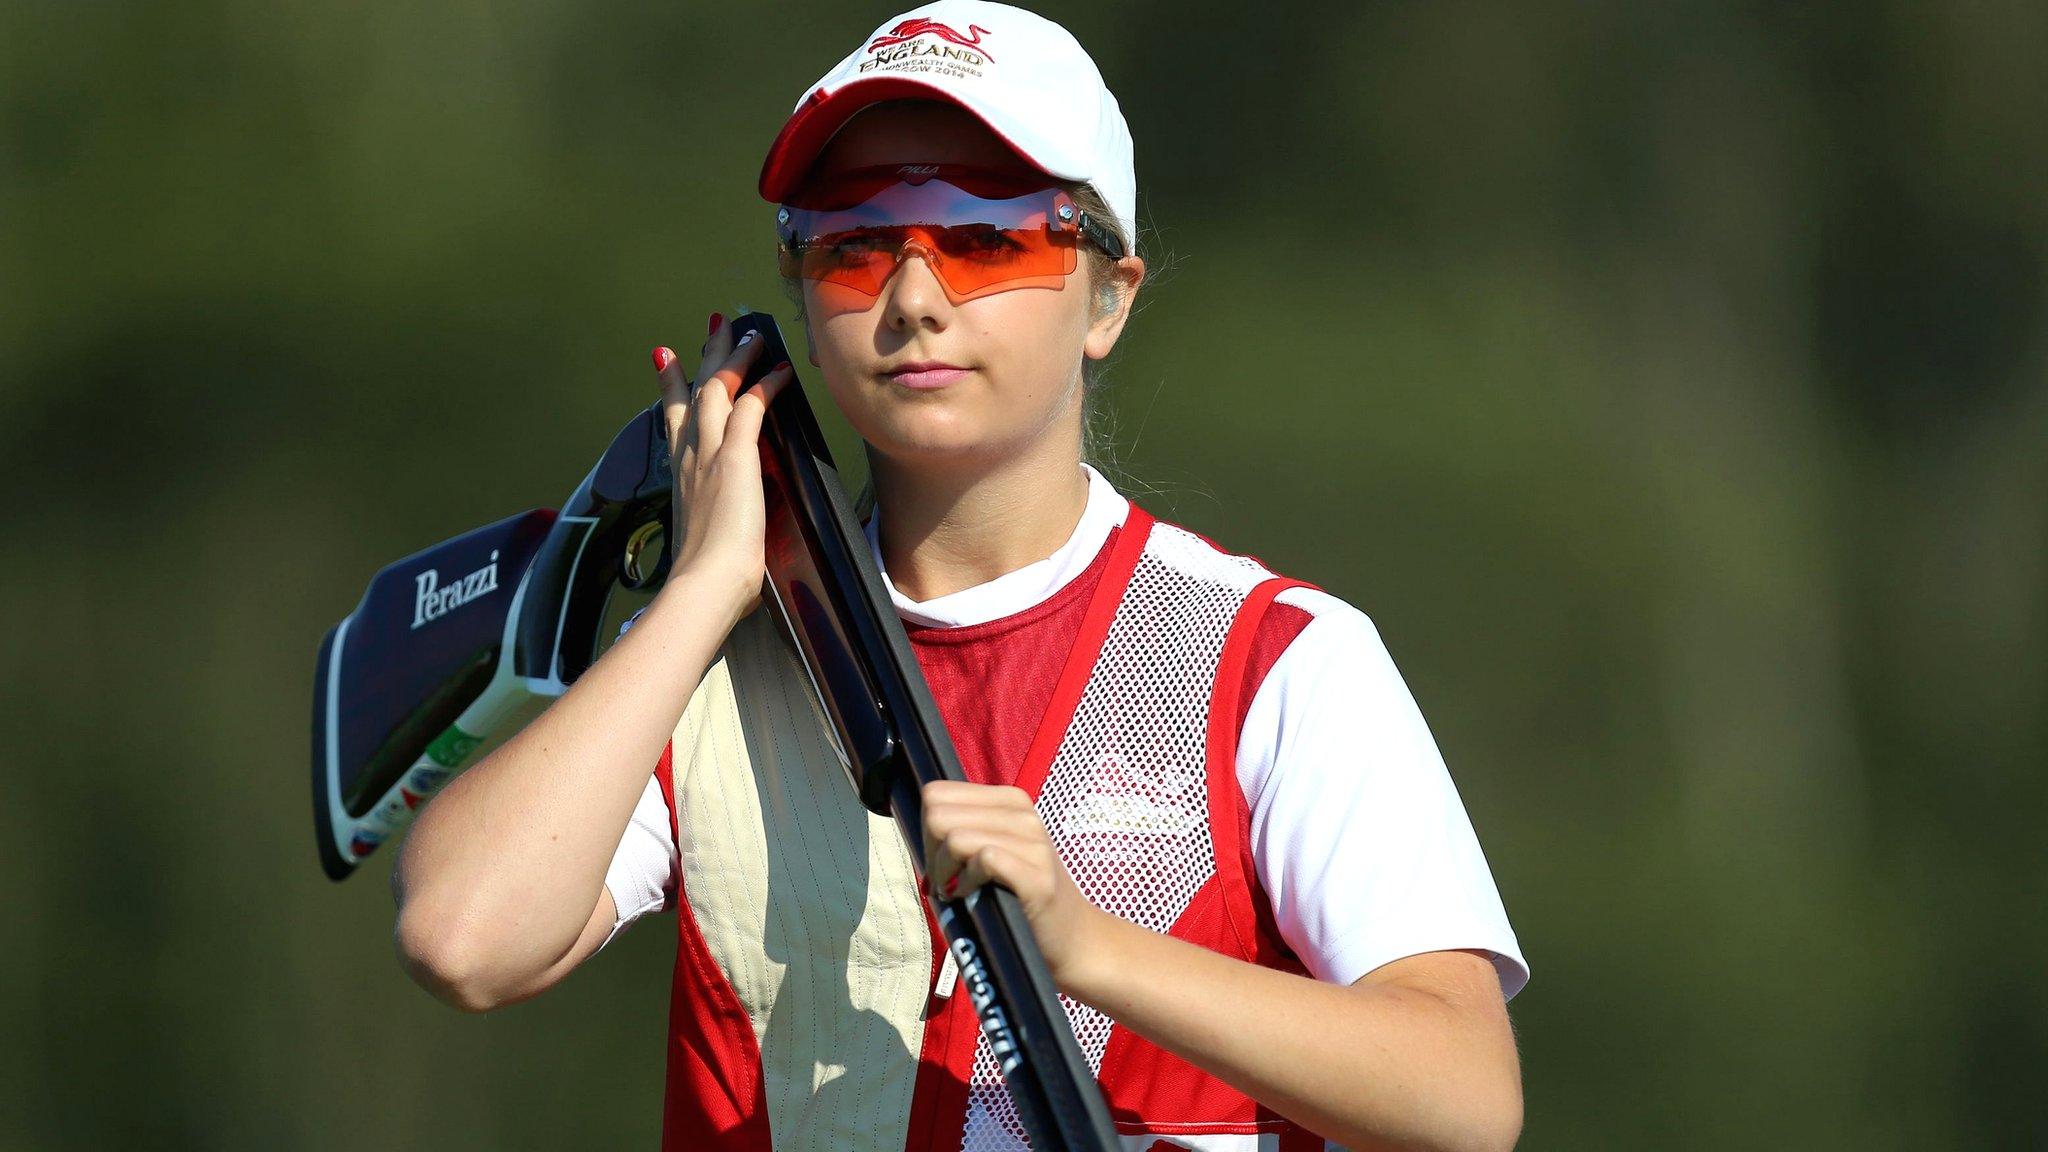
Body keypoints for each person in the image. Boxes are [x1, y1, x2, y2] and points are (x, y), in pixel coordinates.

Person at [391, 2, 1529, 1149]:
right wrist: (698, 590)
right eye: (853, 247)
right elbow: (463, 937)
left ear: (1109, 297)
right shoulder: (712, 664)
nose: (915, 298)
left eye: (987, 240)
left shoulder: (1277, 657)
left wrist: (1088, 951)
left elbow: (1462, 1098)